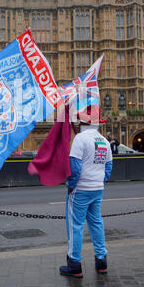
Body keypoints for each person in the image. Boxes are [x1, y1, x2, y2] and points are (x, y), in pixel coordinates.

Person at [59, 110, 113, 278]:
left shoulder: (80, 139)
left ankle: (74, 264)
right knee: (96, 223)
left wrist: (71, 186)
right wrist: (99, 182)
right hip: (97, 189)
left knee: (75, 226)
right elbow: (108, 167)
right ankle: (101, 260)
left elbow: (74, 167)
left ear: (82, 123)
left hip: (81, 189)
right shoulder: (104, 141)